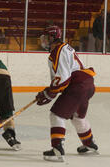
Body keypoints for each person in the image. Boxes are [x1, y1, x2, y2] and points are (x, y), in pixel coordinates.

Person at [38, 25, 98, 162]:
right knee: (77, 117)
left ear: (53, 38)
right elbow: (61, 79)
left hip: (78, 86)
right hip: (87, 84)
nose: (44, 41)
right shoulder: (65, 48)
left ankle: (57, 148)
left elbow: (63, 79)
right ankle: (90, 145)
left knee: (56, 114)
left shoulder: (58, 51)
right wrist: (50, 91)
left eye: (46, 38)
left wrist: (49, 93)